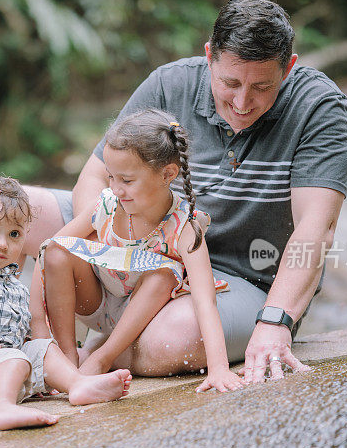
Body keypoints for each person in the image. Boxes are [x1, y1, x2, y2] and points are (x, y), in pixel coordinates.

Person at [21, 0, 347, 384]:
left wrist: (276, 321)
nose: (243, 102)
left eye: (262, 87)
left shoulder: (318, 107)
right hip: (132, 242)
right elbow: (94, 178)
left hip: (237, 280)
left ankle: (81, 357)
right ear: (209, 56)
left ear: (288, 68)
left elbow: (316, 228)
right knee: (11, 207)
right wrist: (115, 246)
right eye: (229, 82)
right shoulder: (168, 84)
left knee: (174, 339)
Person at [32, 110, 243, 393]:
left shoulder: (184, 227)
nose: (117, 189)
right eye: (110, 178)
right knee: (58, 251)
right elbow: (48, 251)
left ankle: (100, 359)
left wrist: (219, 369)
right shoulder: (106, 205)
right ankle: (69, 361)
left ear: (167, 173)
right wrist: (40, 332)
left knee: (162, 274)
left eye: (127, 180)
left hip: (145, 320)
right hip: (96, 304)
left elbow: (206, 301)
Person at [0, 176, 132, 431]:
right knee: (13, 357)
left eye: (14, 234)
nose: (2, 243)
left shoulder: (14, 286)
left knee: (39, 347)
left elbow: (33, 332)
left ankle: (77, 384)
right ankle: (1, 409)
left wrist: (46, 373)